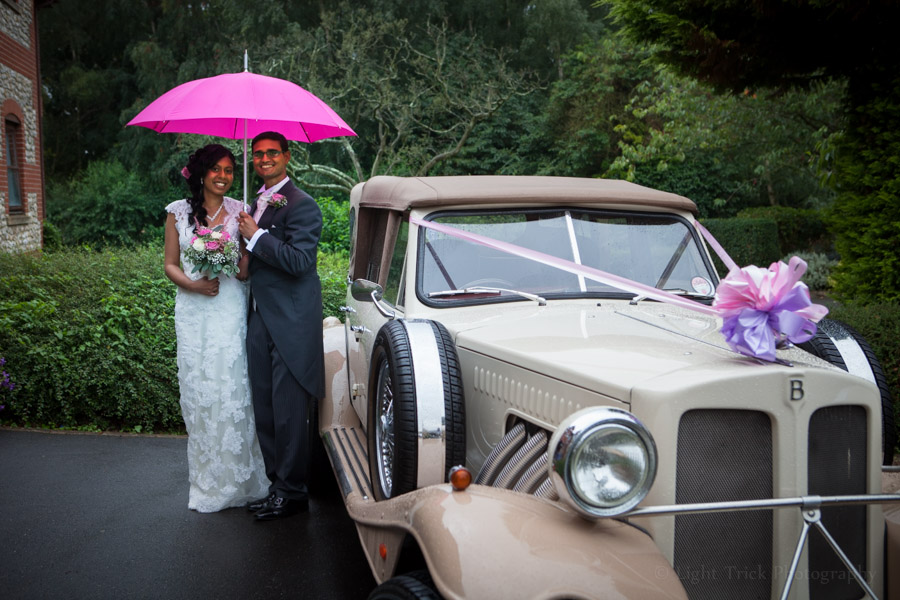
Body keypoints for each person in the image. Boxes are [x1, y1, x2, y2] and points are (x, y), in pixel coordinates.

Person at [164, 143, 270, 513]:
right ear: (202, 173)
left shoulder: (242, 211)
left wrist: (238, 247)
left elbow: (242, 273)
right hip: (193, 311)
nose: (224, 176)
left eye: (229, 170)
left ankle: (242, 481)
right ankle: (208, 482)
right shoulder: (178, 212)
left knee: (232, 388)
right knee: (199, 392)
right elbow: (171, 264)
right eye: (217, 170)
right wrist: (193, 284)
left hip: (227, 309)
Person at [238, 131, 325, 521]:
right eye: (258, 154)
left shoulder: (302, 205)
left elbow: (299, 262)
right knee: (266, 406)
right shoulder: (254, 203)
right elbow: (254, 260)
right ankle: (278, 486)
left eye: (272, 152)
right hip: (260, 316)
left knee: (290, 411)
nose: (264, 158)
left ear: (287, 156)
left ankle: (293, 492)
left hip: (291, 322)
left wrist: (254, 235)